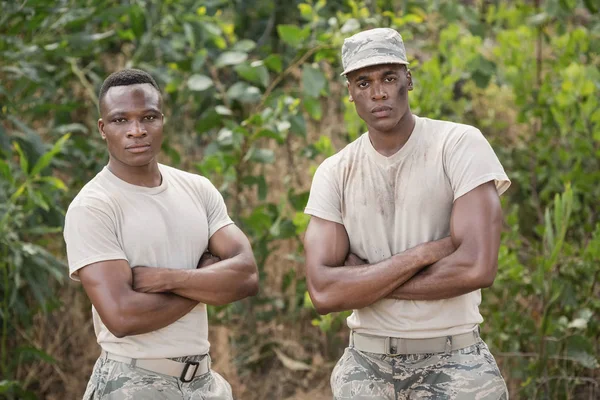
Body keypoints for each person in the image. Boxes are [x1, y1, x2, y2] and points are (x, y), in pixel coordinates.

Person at [303, 28, 511, 399]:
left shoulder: (458, 144)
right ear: (349, 92)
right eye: (363, 82)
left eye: (389, 78)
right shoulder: (335, 171)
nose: (378, 93)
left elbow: (477, 268)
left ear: (408, 80)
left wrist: (365, 282)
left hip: (455, 361)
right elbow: (323, 292)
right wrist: (425, 254)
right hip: (366, 364)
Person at [63, 69, 258, 399]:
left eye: (148, 117)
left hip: (203, 381)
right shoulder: (93, 207)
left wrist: (171, 278)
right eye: (121, 120)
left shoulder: (197, 189)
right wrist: (206, 279)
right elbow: (123, 316)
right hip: (132, 382)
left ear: (162, 121)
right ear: (102, 128)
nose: (136, 131)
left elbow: (247, 276)